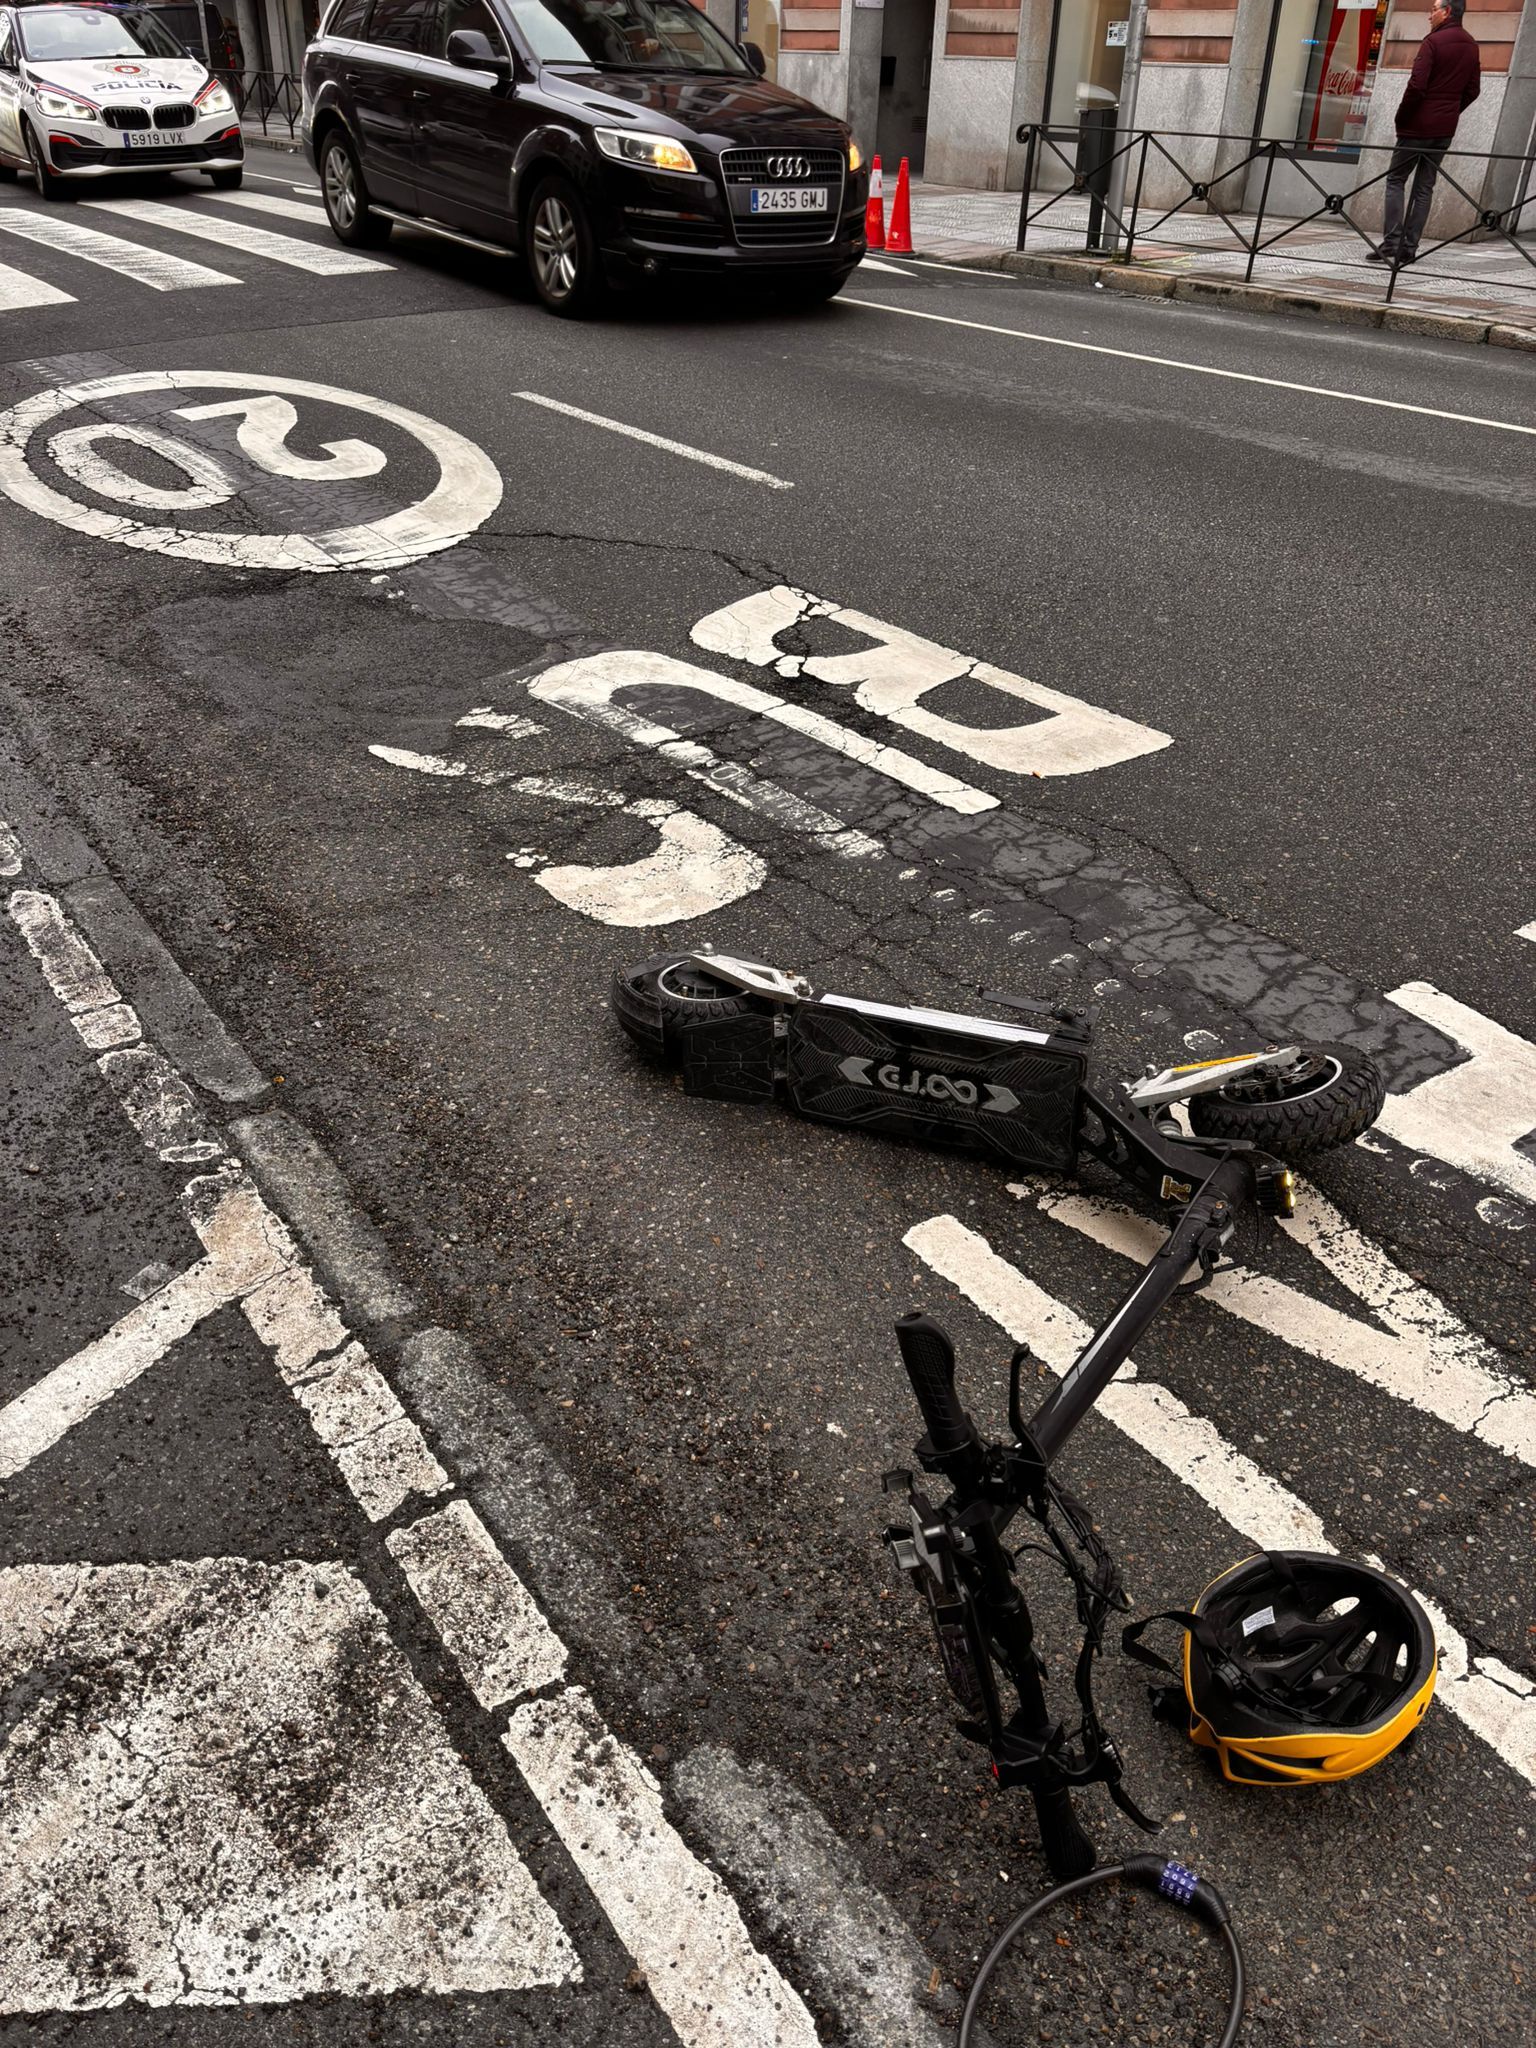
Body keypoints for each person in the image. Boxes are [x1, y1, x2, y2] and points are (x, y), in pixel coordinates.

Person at [1369, 0, 1481, 267]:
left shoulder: (1433, 43)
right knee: (1424, 186)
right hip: (1444, 129)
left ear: (1447, 11)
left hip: (1417, 125)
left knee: (1396, 179)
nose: (1429, 15)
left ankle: (1391, 244)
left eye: (1433, 9)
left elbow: (1417, 86)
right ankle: (1409, 248)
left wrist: (1402, 117)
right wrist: (1450, 111)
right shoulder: (1471, 45)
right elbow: (1473, 90)